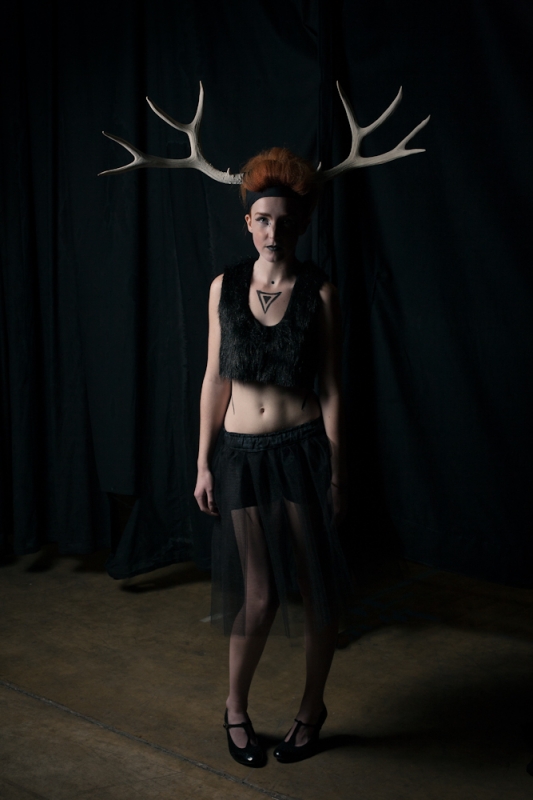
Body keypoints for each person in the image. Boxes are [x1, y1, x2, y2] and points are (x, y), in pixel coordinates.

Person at [194, 147, 352, 767]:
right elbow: (214, 379)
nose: (272, 232)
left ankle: (312, 711)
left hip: (302, 452)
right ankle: (235, 710)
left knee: (317, 591)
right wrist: (204, 461)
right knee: (257, 596)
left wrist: (337, 472)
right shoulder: (224, 287)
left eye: (284, 222)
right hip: (241, 455)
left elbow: (332, 387)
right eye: (262, 220)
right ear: (248, 223)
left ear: (300, 224)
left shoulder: (320, 292)